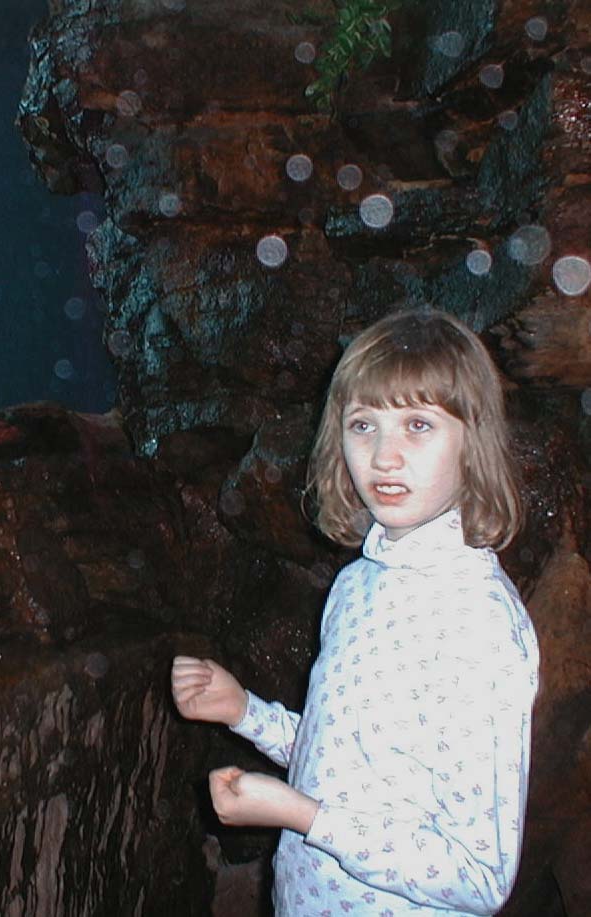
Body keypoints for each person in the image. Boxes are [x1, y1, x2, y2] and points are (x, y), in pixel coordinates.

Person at [171, 310, 539, 916]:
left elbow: (481, 877)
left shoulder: (480, 625)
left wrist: (302, 817)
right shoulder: (358, 584)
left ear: (474, 442)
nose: (384, 456)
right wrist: (243, 712)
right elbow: (348, 766)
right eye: (363, 424)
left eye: (418, 424)